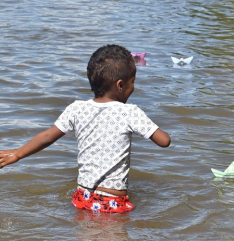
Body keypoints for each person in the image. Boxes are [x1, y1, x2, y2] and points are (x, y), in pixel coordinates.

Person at [0, 44, 171, 213]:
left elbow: (47, 136)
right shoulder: (130, 112)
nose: (133, 87)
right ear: (120, 85)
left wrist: (17, 154)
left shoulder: (76, 108)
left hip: (82, 198)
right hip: (113, 201)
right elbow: (164, 141)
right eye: (133, 82)